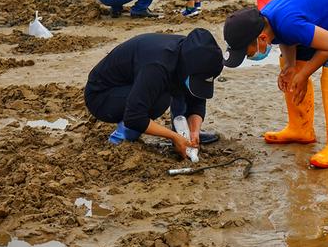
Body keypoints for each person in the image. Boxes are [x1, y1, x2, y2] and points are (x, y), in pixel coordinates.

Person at [222, 0, 328, 168]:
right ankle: (300, 128)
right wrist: (292, 65)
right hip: (326, 17)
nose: (249, 57)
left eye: (248, 53)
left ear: (261, 38)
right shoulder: (267, 21)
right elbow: (285, 36)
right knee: (287, 64)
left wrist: (303, 74)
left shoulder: (287, 22)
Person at [84, 29, 224, 155]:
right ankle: (122, 135)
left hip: (132, 84)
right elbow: (135, 117)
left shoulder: (193, 53)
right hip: (102, 96)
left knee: (181, 87)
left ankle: (184, 133)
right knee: (160, 99)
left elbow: (197, 98)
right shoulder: (157, 66)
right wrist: (173, 137)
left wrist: (194, 131)